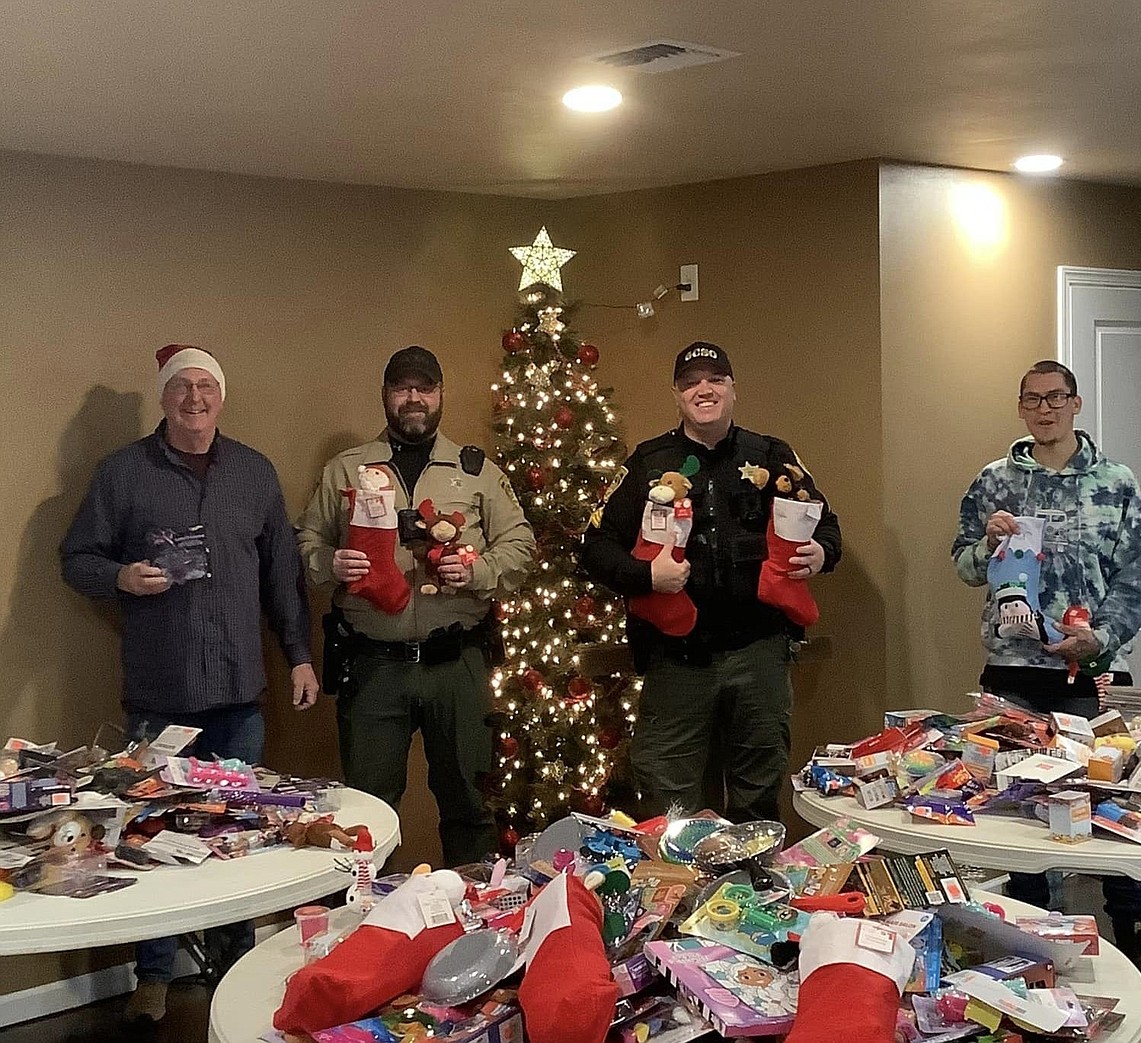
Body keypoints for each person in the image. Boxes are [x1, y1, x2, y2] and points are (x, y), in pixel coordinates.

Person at [61, 344, 319, 1022]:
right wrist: (118, 576)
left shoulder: (254, 472)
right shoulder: (122, 474)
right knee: (151, 833)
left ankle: (236, 965)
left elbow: (282, 578)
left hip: (240, 694)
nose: (195, 398)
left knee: (236, 836)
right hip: (160, 696)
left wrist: (298, 654)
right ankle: (155, 974)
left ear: (221, 397)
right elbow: (76, 556)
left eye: (206, 386)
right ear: (164, 397)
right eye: (182, 387)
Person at [952, 358, 1141, 992]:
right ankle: (1031, 940)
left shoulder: (1116, 482)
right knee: (1021, 806)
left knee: (1112, 802)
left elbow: (1136, 576)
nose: (1044, 409)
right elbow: (964, 565)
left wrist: (1100, 637)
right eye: (1031, 400)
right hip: (1013, 669)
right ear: (1021, 409)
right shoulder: (994, 482)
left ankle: (1130, 930)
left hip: (1093, 669)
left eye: (1055, 398)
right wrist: (985, 543)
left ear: (1075, 404)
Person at [580, 341, 841, 822]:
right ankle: (678, 895)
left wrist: (821, 553)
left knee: (758, 793)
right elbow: (593, 548)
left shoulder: (772, 455)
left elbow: (826, 523)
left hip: (758, 653)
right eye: (691, 382)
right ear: (677, 395)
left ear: (732, 389)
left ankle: (755, 890)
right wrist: (645, 576)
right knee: (668, 797)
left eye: (715, 379)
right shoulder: (647, 462)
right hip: (678, 660)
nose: (704, 389)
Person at [296, 346, 535, 866]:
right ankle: (371, 930)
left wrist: (478, 571)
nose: (413, 398)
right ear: (385, 395)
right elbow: (304, 545)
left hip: (457, 666)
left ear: (440, 395)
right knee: (367, 813)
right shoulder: (346, 470)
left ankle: (472, 929)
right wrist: (329, 563)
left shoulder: (476, 472)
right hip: (374, 666)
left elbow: (521, 547)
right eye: (402, 388)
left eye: (424, 388)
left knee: (471, 807)